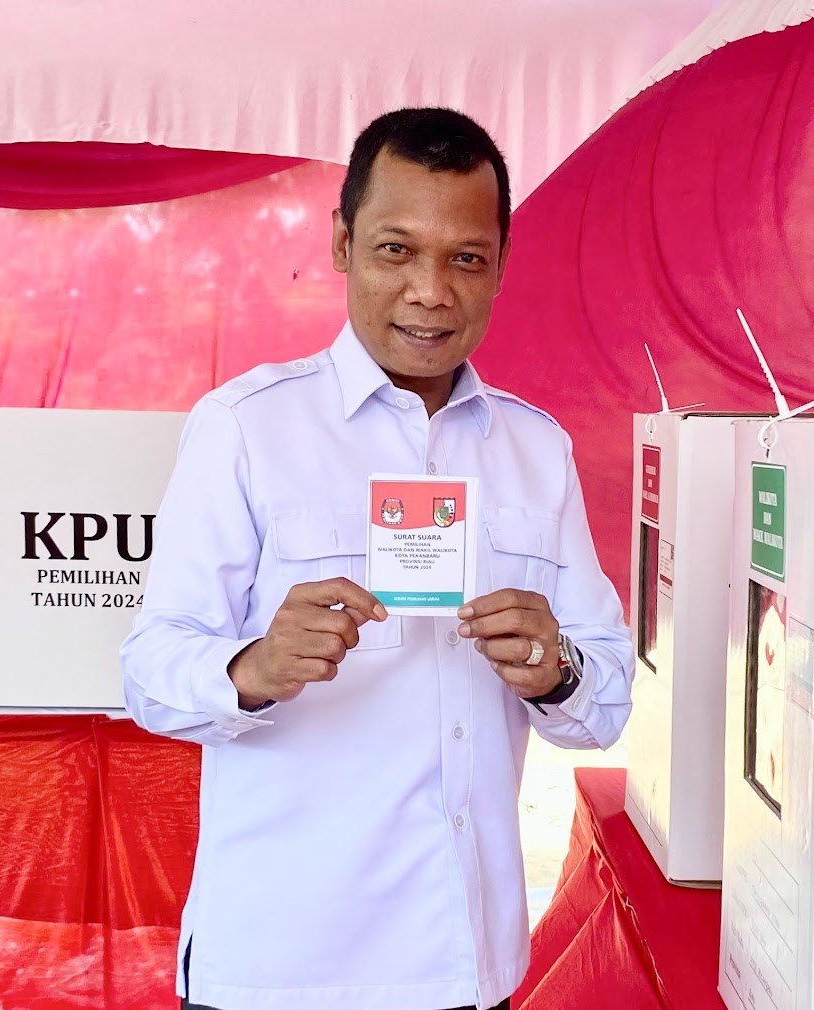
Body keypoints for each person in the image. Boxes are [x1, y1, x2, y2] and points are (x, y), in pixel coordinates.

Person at [123, 108, 633, 1010]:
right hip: (280, 968)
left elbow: (604, 707)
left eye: (466, 257)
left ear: (501, 266)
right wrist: (254, 668)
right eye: (397, 250)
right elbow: (150, 675)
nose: (430, 291)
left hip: (466, 963)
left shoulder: (535, 449)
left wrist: (556, 670)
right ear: (342, 243)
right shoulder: (246, 428)